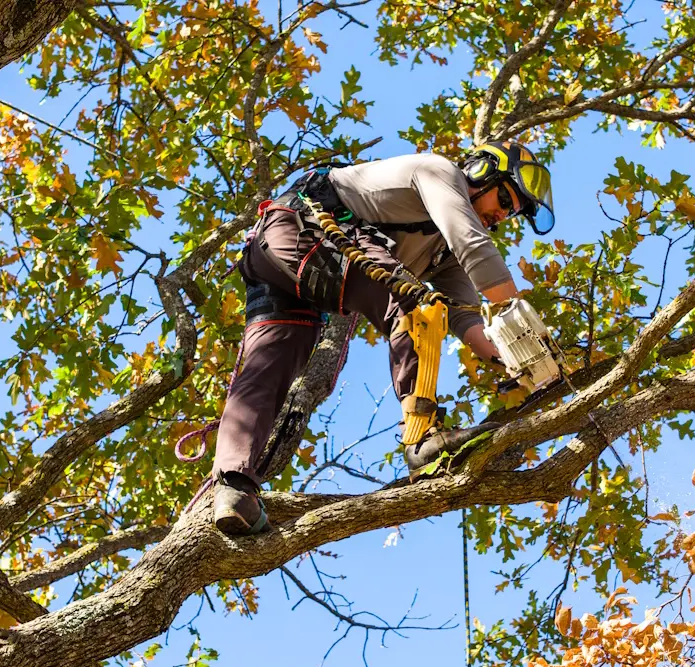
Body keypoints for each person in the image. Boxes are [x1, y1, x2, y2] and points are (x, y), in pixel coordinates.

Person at [211, 141, 554, 535]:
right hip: (306, 227)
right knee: (416, 306)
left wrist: (519, 359)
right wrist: (524, 321)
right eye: (506, 198)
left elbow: (466, 317)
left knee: (267, 368)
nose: (503, 214)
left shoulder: (443, 253)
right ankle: (422, 439)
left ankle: (233, 488)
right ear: (480, 172)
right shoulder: (439, 172)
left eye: (511, 212)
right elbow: (474, 247)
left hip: (284, 260)